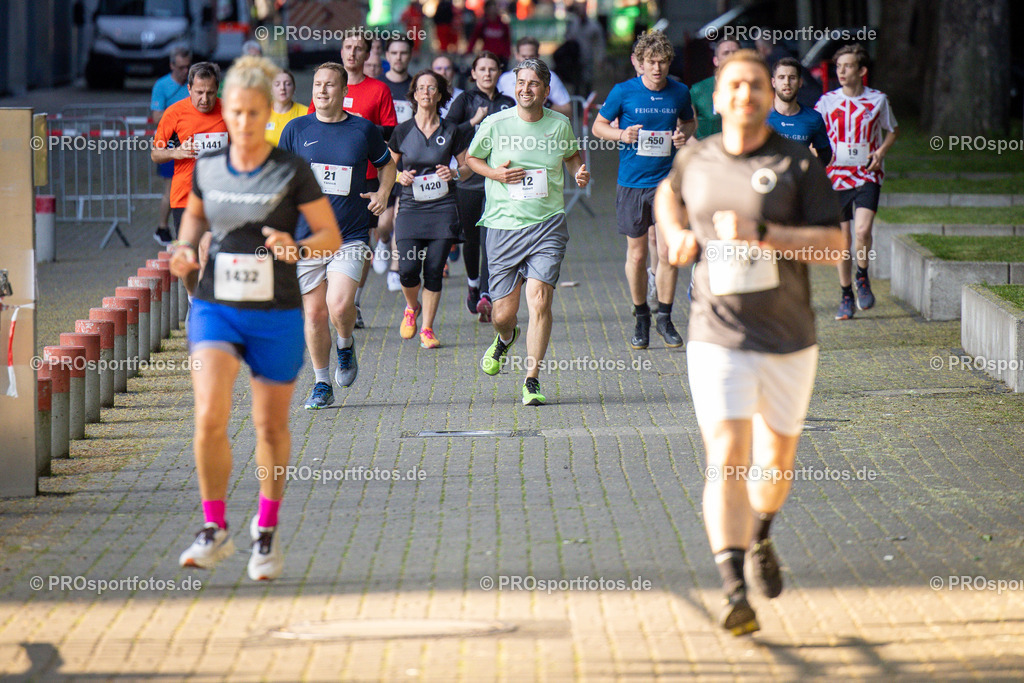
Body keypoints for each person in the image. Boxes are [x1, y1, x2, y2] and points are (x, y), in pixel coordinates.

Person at [653, 49, 844, 635]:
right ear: (716, 97)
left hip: (788, 337)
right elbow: (668, 193)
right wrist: (676, 232)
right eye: (734, 85)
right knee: (727, 455)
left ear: (769, 95)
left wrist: (765, 233)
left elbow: (835, 247)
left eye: (756, 86)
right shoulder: (697, 157)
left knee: (775, 462)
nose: (745, 95)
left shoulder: (798, 164)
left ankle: (760, 534)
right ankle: (734, 587)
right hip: (717, 333)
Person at [171, 55, 341, 581]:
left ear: (268, 112)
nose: (243, 124)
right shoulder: (209, 165)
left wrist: (296, 245)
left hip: (276, 311)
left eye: (253, 114)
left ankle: (265, 534)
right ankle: (213, 526)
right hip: (217, 306)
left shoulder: (292, 170)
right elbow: (194, 218)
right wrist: (183, 252)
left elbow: (329, 238)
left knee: (269, 425)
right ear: (227, 110)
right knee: (209, 415)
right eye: (235, 113)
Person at [466, 57, 590, 406]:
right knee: (503, 314)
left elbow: (572, 156)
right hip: (504, 226)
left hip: (547, 224)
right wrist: (495, 175)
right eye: (521, 82)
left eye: (533, 83)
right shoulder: (495, 123)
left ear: (546, 90)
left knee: (540, 299)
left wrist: (579, 172)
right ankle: (506, 338)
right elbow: (472, 160)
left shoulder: (560, 124)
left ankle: (532, 379)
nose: (525, 89)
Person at [280, 62, 397, 410]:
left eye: (330, 85)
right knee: (314, 316)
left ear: (345, 91)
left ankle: (345, 345)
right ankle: (321, 383)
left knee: (340, 305)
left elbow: (387, 164)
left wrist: (383, 194)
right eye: (317, 83)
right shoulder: (296, 128)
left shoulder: (363, 130)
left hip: (350, 234)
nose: (322, 90)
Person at [593, 30, 695, 351]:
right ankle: (641, 316)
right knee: (637, 256)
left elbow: (689, 123)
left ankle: (664, 316)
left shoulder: (679, 92)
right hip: (632, 184)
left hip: (667, 185)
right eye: (651, 62)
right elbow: (598, 127)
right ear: (640, 63)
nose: (657, 68)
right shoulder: (624, 92)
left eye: (663, 62)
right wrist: (621, 134)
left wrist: (682, 135)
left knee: (667, 254)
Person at [310, 33, 399, 320]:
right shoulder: (325, 88)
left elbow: (390, 132)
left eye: (358, 48)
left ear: (367, 54)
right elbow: (314, 125)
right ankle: (331, 293)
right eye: (348, 47)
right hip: (328, 176)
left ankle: (354, 301)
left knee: (361, 240)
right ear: (341, 50)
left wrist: (359, 128)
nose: (352, 53)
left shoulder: (378, 89)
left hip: (368, 176)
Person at [389, 69, 473, 348]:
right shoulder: (402, 131)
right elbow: (387, 168)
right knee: (408, 269)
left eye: (432, 88)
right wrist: (400, 177)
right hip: (411, 208)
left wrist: (455, 174)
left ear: (440, 94)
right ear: (413, 94)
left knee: (435, 268)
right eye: (421, 88)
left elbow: (468, 167)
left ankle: (427, 329)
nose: (426, 92)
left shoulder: (452, 130)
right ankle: (412, 307)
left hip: (443, 207)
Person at [814, 44, 898, 320]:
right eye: (838, 66)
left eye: (848, 66)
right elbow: (816, 134)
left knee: (862, 232)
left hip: (867, 173)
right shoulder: (826, 102)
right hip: (835, 176)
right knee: (843, 239)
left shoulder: (878, 100)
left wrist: (881, 152)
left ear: (861, 71)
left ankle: (862, 276)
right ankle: (845, 294)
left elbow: (892, 130)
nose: (841, 71)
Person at [444, 50, 515, 322]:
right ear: (473, 73)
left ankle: (486, 293)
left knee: (491, 237)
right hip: (469, 180)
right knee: (472, 239)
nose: (487, 73)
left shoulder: (509, 102)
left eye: (492, 69)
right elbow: (446, 132)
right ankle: (473, 285)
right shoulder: (465, 100)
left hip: (498, 180)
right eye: (481, 69)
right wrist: (473, 122)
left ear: (499, 72)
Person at [151, 62, 227, 295]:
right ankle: (195, 299)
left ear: (218, 89)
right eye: (199, 92)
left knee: (207, 251)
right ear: (189, 88)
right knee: (188, 258)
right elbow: (155, 153)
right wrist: (177, 152)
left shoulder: (229, 111)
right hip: (185, 197)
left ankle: (207, 309)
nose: (205, 99)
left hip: (220, 197)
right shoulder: (174, 113)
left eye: (210, 93)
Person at [150, 47, 192, 244]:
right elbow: (157, 116)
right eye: (181, 67)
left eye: (187, 67)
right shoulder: (162, 85)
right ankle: (162, 226)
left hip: (190, 143)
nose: (185, 71)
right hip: (170, 143)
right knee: (170, 187)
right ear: (172, 65)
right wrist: (180, 116)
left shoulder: (192, 85)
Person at [767, 57, 832, 162]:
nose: (786, 82)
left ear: (800, 82)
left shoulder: (813, 118)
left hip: (798, 178)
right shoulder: (761, 116)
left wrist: (809, 173)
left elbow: (825, 155)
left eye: (792, 77)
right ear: (773, 82)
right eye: (781, 77)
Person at [497, 37, 573, 118]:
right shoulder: (504, 79)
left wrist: (547, 103)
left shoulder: (550, 77)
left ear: (538, 56)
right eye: (524, 56)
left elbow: (568, 111)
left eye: (531, 57)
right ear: (517, 55)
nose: (527, 61)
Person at [689, 40, 740, 140]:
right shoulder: (698, 90)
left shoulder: (748, 89)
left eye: (735, 53)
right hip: (707, 152)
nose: (731, 57)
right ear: (716, 61)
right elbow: (687, 132)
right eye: (726, 53)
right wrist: (700, 151)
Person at [563, 2, 605, 95]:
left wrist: (599, 58)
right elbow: (567, 39)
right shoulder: (573, 24)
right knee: (576, 84)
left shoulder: (594, 26)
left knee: (588, 83)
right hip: (575, 59)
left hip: (588, 58)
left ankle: (586, 105)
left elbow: (599, 44)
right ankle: (578, 106)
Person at [265, 69, 307, 146]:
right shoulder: (261, 112)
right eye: (277, 84)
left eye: (287, 84)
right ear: (270, 89)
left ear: (294, 88)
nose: (282, 88)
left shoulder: (306, 113)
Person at [466, 1, 511, 67]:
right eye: (490, 9)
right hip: (488, 55)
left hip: (501, 56)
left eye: (494, 9)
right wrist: (469, 51)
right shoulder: (483, 24)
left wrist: (508, 54)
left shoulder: (502, 25)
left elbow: (507, 40)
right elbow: (474, 38)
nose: (492, 11)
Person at [384, 37, 415, 123]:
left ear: (410, 55)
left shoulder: (418, 88)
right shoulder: (376, 86)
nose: (398, 57)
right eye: (394, 53)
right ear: (387, 55)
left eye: (403, 53)